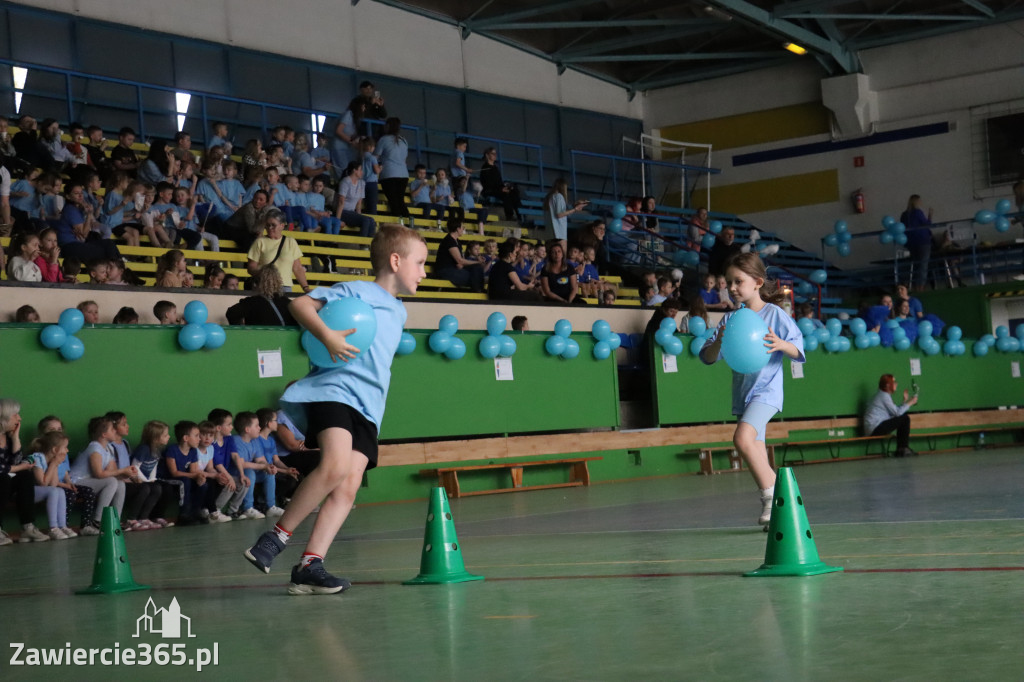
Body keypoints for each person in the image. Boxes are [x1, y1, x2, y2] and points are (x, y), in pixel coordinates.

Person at [244, 223, 428, 595]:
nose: (424, 272)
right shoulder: (359, 291)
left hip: (369, 406)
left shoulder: (399, 311)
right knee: (334, 465)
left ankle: (310, 565)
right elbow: (299, 303)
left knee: (348, 485)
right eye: (420, 263)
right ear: (395, 260)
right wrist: (326, 335)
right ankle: (274, 539)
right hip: (335, 390)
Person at [699, 252, 805, 529]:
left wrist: (782, 344)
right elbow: (707, 357)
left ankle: (773, 499)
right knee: (755, 448)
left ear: (758, 282)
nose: (732, 288)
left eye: (738, 281)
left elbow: (798, 349)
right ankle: (785, 505)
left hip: (767, 393)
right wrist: (718, 343)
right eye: (728, 282)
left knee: (743, 440)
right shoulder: (731, 320)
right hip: (743, 397)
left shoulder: (774, 314)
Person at [0, 399, 50, 544]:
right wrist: (21, 467)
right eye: (15, 415)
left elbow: (17, 461)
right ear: (4, 417)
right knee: (3, 478)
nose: (19, 418)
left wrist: (15, 439)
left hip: (5, 482)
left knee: (24, 476)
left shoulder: (8, 438)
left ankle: (28, 527)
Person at [67, 416, 129, 533]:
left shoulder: (106, 449)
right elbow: (99, 474)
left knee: (120, 483)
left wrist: (128, 474)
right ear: (104, 434)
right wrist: (122, 471)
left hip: (90, 482)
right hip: (75, 481)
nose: (115, 431)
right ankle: (97, 520)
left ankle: (115, 520)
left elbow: (113, 473)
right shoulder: (94, 447)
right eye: (112, 430)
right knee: (111, 482)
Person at [246, 208, 310, 293]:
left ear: (282, 226)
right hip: (265, 286)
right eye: (267, 225)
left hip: (285, 286)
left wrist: (305, 287)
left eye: (273, 225)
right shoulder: (260, 242)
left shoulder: (290, 242)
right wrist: (263, 273)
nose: (270, 228)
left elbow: (297, 268)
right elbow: (251, 267)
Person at [164, 420, 210, 526]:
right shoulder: (172, 450)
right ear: (186, 438)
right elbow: (174, 473)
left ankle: (196, 511)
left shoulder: (193, 451)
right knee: (184, 482)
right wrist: (195, 475)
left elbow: (193, 471)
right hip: (170, 479)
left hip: (185, 478)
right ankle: (184, 514)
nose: (199, 439)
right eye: (197, 436)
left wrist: (199, 476)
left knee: (203, 484)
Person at [864, 374, 919, 458]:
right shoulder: (884, 396)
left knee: (903, 417)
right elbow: (897, 413)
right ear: (888, 385)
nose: (896, 384)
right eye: (894, 382)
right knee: (905, 418)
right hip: (875, 428)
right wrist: (910, 402)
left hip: (875, 427)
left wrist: (904, 402)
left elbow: (895, 412)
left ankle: (902, 449)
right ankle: (903, 448)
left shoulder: (882, 395)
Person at [434, 219, 484, 292]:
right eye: (462, 227)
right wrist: (477, 262)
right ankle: (477, 292)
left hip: (454, 268)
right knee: (472, 276)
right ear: (458, 229)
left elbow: (461, 261)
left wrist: (463, 264)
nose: (463, 229)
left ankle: (478, 292)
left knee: (477, 269)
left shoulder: (457, 242)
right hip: (445, 270)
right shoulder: (449, 241)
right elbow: (459, 260)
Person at [375, 118, 409, 219]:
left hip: (389, 174)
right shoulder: (404, 140)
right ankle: (409, 225)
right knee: (400, 201)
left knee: (394, 202)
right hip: (403, 174)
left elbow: (375, 156)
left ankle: (398, 228)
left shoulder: (384, 139)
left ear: (388, 126)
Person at [479, 147, 523, 222]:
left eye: (495, 154)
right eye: (493, 153)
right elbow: (488, 184)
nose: (495, 155)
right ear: (487, 155)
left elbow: (499, 181)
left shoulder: (495, 167)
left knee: (514, 191)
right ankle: (509, 216)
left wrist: (505, 187)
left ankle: (520, 215)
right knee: (506, 195)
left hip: (498, 188)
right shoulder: (485, 168)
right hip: (490, 190)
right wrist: (501, 189)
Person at [543, 178, 588, 252]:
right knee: (562, 257)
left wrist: (574, 206)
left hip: (549, 233)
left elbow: (562, 211)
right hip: (559, 233)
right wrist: (575, 209)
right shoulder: (559, 196)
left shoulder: (549, 197)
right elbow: (560, 214)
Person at [901, 195, 933, 292]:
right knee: (923, 265)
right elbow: (927, 224)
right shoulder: (918, 212)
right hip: (923, 241)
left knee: (916, 264)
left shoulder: (904, 215)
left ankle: (914, 286)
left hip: (911, 242)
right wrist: (930, 215)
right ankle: (920, 287)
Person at [539, 239, 582, 305]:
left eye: (559, 251)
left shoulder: (569, 268)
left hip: (569, 298)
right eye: (554, 252)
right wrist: (562, 300)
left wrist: (569, 301)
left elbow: (574, 288)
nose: (557, 254)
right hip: (553, 299)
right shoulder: (545, 270)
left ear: (562, 254)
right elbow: (547, 291)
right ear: (550, 255)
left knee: (583, 303)